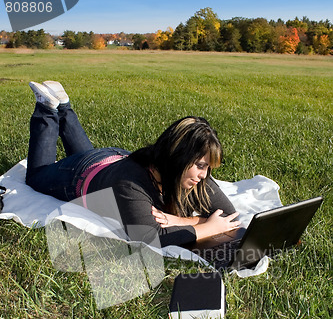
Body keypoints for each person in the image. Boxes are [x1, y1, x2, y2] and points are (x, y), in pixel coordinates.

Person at [26, 81, 240, 248]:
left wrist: (179, 220)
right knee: (35, 177)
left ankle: (63, 106)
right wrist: (207, 228)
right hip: (80, 174)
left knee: (88, 154)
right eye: (201, 166)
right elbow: (147, 236)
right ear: (178, 158)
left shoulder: (194, 173)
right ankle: (47, 108)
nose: (205, 175)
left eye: (207, 167)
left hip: (112, 159)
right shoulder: (131, 183)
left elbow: (229, 216)